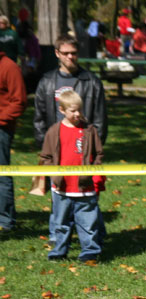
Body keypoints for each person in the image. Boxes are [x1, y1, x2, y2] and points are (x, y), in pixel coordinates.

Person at [33, 34, 107, 243]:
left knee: (87, 195)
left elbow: (100, 120)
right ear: (57, 53)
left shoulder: (92, 82)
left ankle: (95, 234)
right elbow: (38, 117)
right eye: (65, 53)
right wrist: (45, 148)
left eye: (73, 53)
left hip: (83, 150)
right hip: (57, 151)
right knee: (59, 195)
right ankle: (57, 237)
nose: (70, 57)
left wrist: (94, 149)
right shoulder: (47, 81)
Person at [39, 90, 104, 262]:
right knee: (60, 223)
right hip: (61, 188)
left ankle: (90, 251)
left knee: (88, 223)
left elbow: (99, 154)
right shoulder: (54, 131)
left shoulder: (90, 131)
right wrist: (53, 174)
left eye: (79, 110)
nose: (77, 114)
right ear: (62, 110)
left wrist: (94, 173)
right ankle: (59, 251)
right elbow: (45, 157)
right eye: (72, 111)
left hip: (84, 188)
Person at [0, 47, 26, 233]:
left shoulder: (9, 67)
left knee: (1, 174)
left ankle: (5, 220)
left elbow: (19, 101)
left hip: (2, 129)